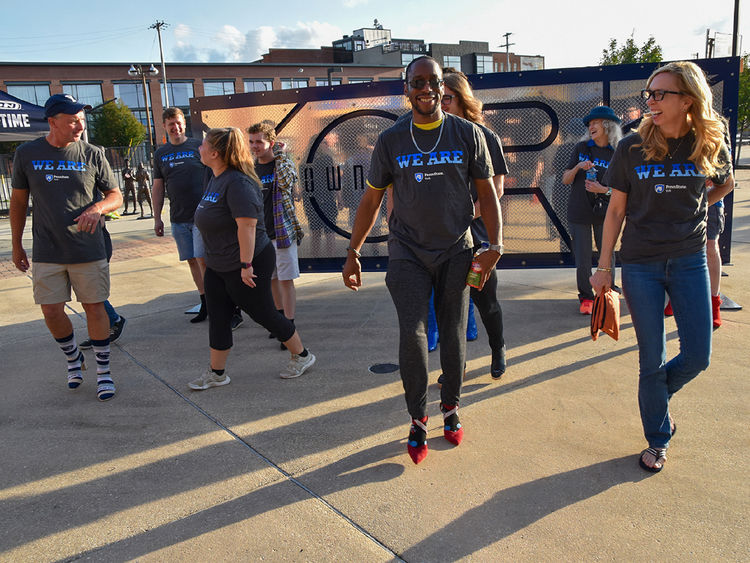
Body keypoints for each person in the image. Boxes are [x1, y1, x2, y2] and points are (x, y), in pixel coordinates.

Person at [342, 56, 502, 464]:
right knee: (412, 334)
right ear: (407, 88)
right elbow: (372, 199)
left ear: (441, 85)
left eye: (433, 81)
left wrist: (495, 244)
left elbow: (487, 193)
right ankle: (417, 417)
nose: (426, 89)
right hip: (407, 252)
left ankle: (451, 407)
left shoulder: (467, 134)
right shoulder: (392, 140)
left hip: (456, 250)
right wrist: (354, 252)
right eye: (418, 82)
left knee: (451, 332)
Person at [590, 61, 734, 473]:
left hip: (690, 261)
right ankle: (658, 437)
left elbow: (725, 183)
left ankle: (656, 399)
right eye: (648, 94)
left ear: (686, 99)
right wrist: (604, 268)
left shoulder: (708, 142)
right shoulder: (631, 146)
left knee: (698, 356)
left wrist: (702, 206)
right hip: (641, 264)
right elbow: (616, 209)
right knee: (650, 358)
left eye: (659, 94)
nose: (650, 101)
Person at [10, 93, 123, 401]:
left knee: (94, 307)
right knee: (50, 310)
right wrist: (17, 245)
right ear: (52, 122)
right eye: (73, 121)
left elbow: (115, 195)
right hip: (47, 250)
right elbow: (19, 202)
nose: (79, 127)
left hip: (88, 248)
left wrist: (97, 209)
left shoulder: (92, 153)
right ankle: (73, 358)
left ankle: (103, 371)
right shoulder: (27, 153)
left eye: (82, 121)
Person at [189, 127, 315, 389]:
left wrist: (246, 266)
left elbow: (246, 226)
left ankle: (302, 355)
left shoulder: (238, 183)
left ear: (215, 152)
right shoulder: (215, 177)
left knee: (264, 314)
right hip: (219, 263)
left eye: (203, 145)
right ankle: (217, 372)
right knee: (219, 316)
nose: (198, 148)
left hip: (248, 261)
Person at [438, 68, 509, 379]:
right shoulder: (432, 135)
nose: (441, 105)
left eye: (447, 99)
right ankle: (456, 367)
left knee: (485, 300)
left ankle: (498, 348)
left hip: (477, 235)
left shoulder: (484, 136)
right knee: (450, 308)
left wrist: (467, 215)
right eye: (437, 99)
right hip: (442, 238)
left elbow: (497, 187)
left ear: (462, 100)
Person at [247, 122, 305, 347]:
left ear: (270, 142)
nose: (255, 146)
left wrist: (279, 152)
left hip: (282, 231)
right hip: (261, 234)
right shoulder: (251, 169)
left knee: (285, 279)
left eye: (259, 141)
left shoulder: (283, 165)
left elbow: (288, 182)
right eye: (251, 142)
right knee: (270, 278)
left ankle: (289, 325)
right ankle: (279, 319)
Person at [561, 106, 621, 314]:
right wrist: (578, 167)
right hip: (579, 212)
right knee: (583, 258)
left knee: (608, 254)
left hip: (606, 213)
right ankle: (586, 297)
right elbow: (565, 179)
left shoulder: (616, 152)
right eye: (589, 124)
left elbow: (624, 189)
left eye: (595, 122)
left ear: (607, 125)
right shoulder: (581, 147)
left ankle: (607, 292)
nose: (591, 126)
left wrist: (602, 189)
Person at [152, 107, 209, 323]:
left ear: (184, 124)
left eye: (177, 123)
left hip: (202, 217)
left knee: (205, 260)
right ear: (164, 127)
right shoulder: (161, 153)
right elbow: (158, 187)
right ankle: (204, 303)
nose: (175, 127)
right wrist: (157, 217)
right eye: (170, 124)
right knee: (193, 261)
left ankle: (219, 303)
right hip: (179, 218)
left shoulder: (198, 146)